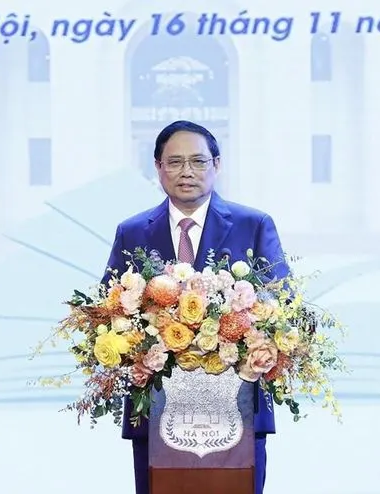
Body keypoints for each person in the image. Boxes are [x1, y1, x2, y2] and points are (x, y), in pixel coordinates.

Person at [100, 120, 290, 494]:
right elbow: (109, 311)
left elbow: (282, 304)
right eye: (174, 162)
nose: (186, 171)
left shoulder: (253, 225)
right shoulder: (132, 232)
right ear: (158, 167)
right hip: (158, 413)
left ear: (216, 165)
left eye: (198, 161)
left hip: (238, 408)